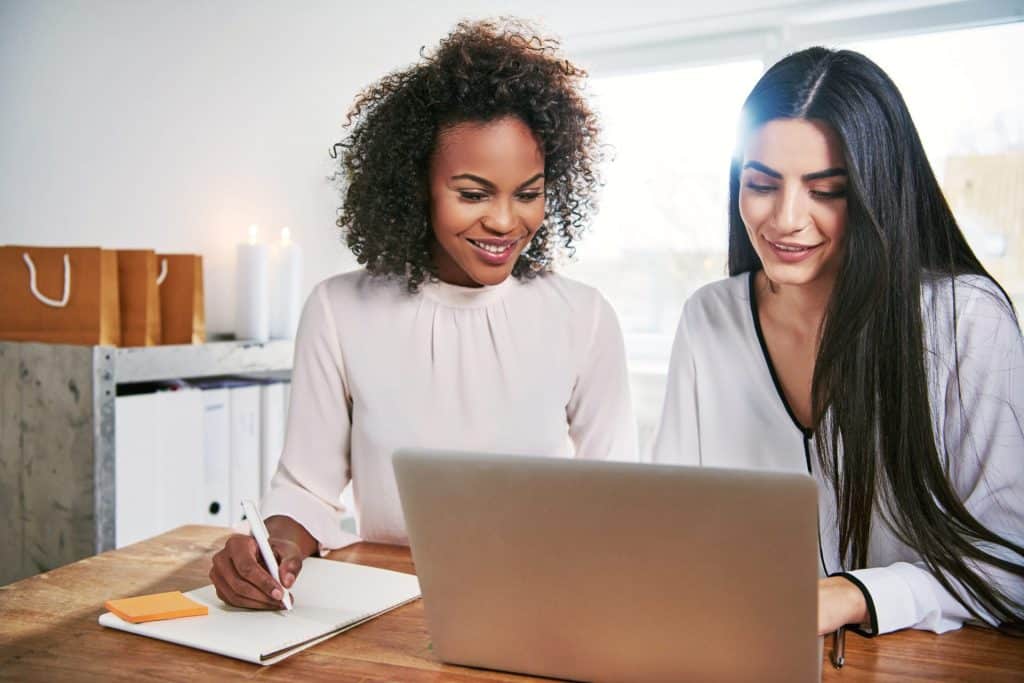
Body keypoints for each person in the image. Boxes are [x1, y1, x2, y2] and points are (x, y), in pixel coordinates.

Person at [210, 19, 637, 610]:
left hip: (540, 603)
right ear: (418, 186)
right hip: (386, 604)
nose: (506, 221)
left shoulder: (583, 317)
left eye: (528, 192)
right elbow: (306, 488)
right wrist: (269, 549)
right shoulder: (339, 310)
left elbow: (616, 500)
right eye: (473, 194)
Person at [652, 47, 1023, 637]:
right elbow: (666, 528)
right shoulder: (709, 317)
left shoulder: (967, 321)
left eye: (826, 190)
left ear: (878, 192)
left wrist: (853, 595)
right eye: (762, 184)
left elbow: (1009, 566)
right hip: (741, 654)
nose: (786, 218)